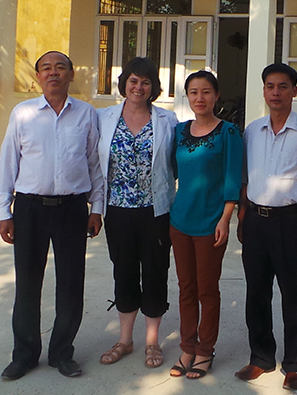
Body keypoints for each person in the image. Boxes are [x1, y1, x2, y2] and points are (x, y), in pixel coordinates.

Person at [0, 51, 104, 381]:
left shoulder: (86, 114)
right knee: (27, 283)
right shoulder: (23, 113)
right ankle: (24, 355)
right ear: (38, 77)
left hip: (72, 209)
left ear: (71, 74)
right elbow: (8, 163)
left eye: (60, 68)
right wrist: (4, 211)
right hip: (29, 209)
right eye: (46, 68)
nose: (53, 73)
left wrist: (97, 208)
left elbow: (94, 164)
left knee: (71, 282)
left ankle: (61, 353)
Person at [236, 63, 297, 391]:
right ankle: (261, 357)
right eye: (269, 86)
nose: (275, 93)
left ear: (294, 91)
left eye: (282, 86)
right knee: (257, 293)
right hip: (255, 222)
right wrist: (242, 215)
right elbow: (245, 177)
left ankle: (296, 364)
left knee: (295, 294)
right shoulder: (252, 130)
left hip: (293, 222)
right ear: (263, 91)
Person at [95, 57, 178, 369]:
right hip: (117, 211)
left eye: (145, 82)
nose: (138, 87)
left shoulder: (168, 121)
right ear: (124, 83)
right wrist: (94, 206)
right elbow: (93, 163)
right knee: (124, 271)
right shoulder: (103, 118)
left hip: (156, 212)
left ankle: (152, 342)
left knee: (156, 273)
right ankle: (125, 340)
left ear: (153, 87)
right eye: (133, 80)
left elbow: (177, 163)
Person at [168, 70, 243, 380]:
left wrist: (226, 219)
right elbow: (172, 172)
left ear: (216, 96)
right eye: (194, 92)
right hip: (180, 221)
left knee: (207, 290)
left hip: (212, 223)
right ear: (188, 97)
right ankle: (187, 346)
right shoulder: (179, 132)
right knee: (186, 288)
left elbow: (233, 179)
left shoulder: (229, 133)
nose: (200, 98)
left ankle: (204, 350)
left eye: (206, 92)